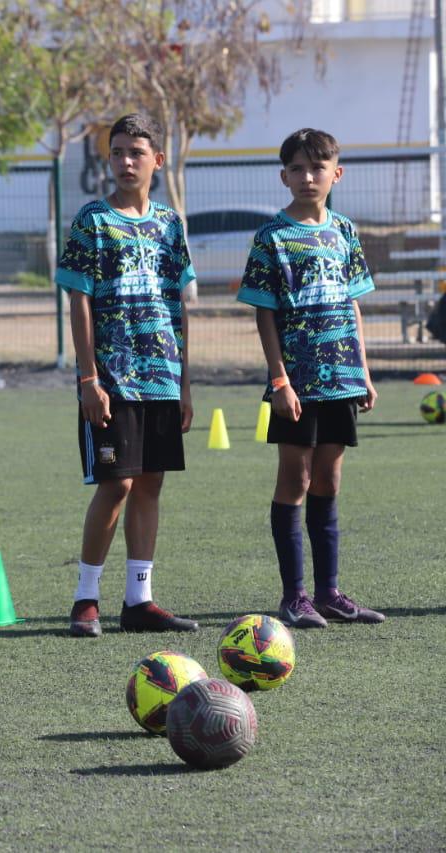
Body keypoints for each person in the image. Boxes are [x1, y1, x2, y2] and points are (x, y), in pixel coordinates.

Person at [56, 113, 198, 638]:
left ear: (157, 161)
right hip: (113, 380)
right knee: (116, 485)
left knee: (151, 485)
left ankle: (139, 600)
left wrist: (184, 383)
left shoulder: (170, 224)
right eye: (117, 152)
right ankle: (85, 599)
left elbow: (180, 306)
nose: (125, 162)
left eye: (136, 153)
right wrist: (88, 379)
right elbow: (80, 300)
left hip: (162, 377)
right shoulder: (93, 221)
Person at [235, 128, 385, 628]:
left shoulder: (345, 231)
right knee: (295, 478)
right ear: (284, 176)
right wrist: (279, 380)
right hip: (297, 381)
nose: (307, 176)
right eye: (297, 168)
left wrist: (362, 370)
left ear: (335, 173)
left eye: (317, 168)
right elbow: (263, 313)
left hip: (342, 377)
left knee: (329, 480)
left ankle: (329, 593)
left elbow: (353, 306)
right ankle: (293, 596)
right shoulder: (271, 237)